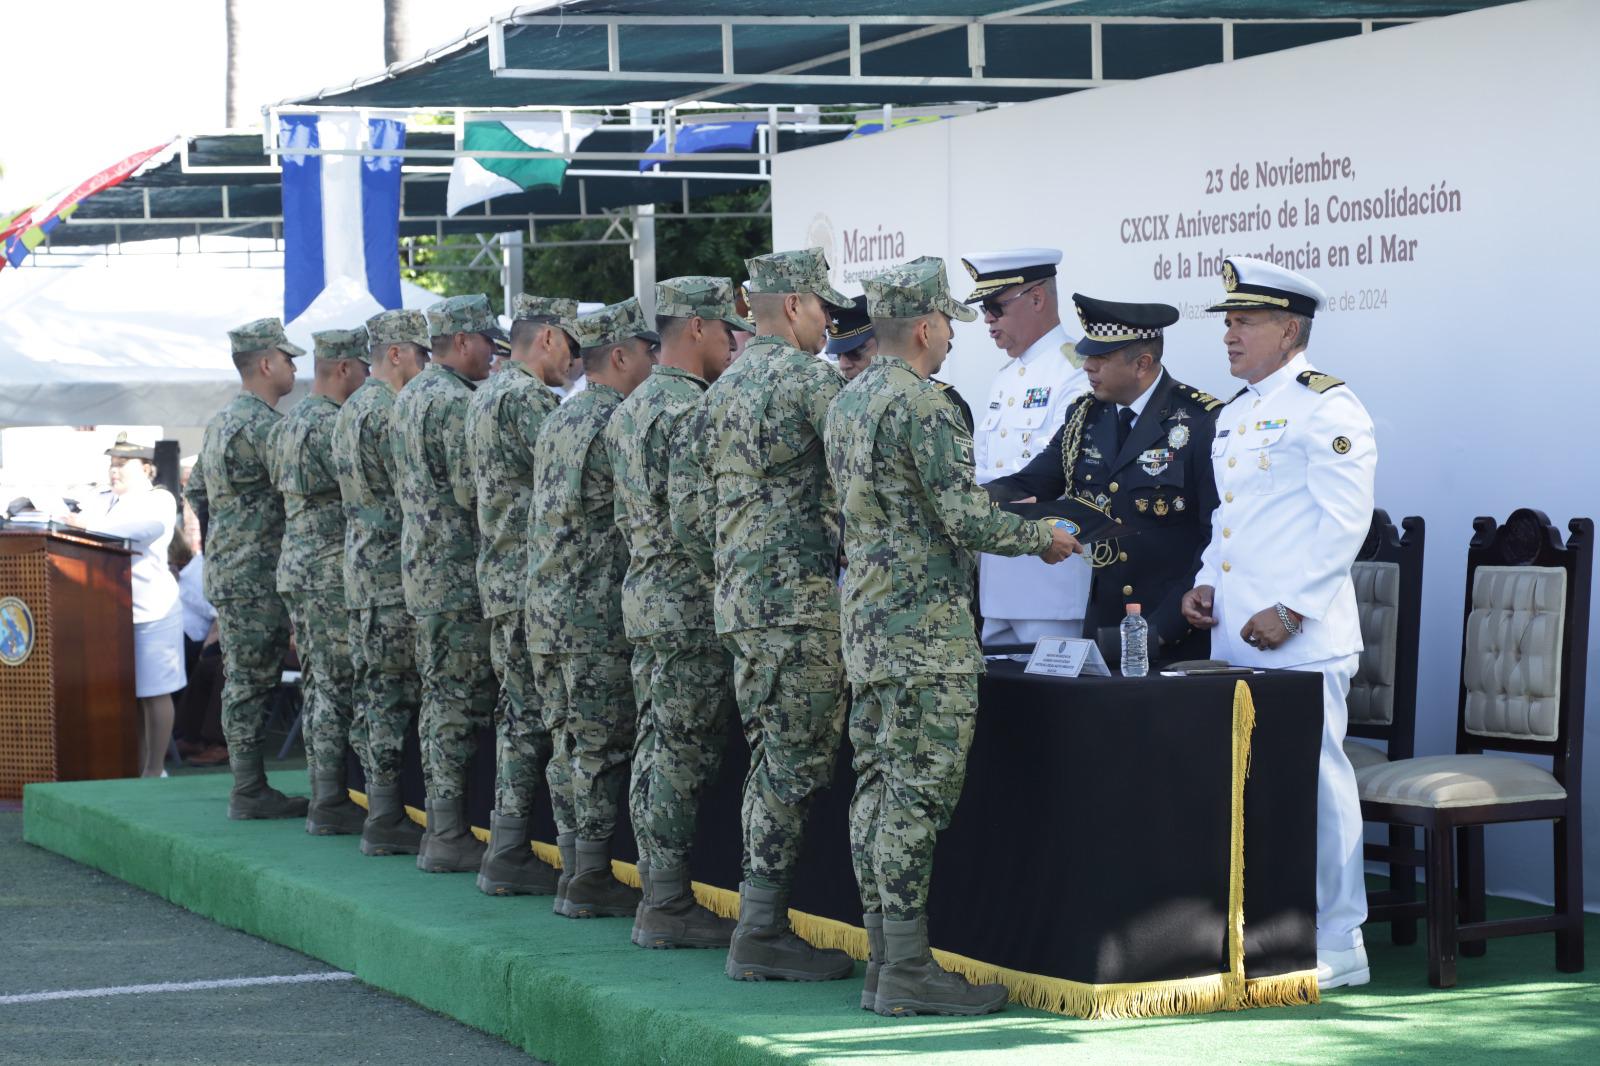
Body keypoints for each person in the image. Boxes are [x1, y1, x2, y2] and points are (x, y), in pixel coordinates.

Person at [825, 257, 1080, 1017]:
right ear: (929, 327)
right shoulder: (924, 405)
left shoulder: (849, 400)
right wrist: (1044, 537)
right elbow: (963, 517)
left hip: (868, 628)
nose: (952, 344)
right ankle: (905, 967)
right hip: (924, 635)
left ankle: (885, 960)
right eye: (949, 329)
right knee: (913, 798)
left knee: (876, 793)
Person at [1180, 255, 1377, 990]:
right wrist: (1204, 585)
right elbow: (1233, 522)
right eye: (1228, 320)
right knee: (1254, 790)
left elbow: (1344, 523)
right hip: (1238, 634)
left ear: (1289, 328)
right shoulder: (1235, 412)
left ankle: (1343, 939)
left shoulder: (1327, 405)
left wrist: (1292, 607)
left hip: (1304, 636)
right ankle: (1272, 931)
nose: (1229, 333)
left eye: (1245, 320)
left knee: (1321, 785)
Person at [701, 247, 856, 983]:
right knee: (791, 769)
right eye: (823, 306)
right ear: (793, 305)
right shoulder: (807, 382)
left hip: (742, 604)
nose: (829, 323)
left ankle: (761, 923)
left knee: (772, 761)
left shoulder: (722, 388)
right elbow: (866, 477)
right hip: (796, 607)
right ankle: (760, 930)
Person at [606, 276, 746, 948]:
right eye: (723, 329)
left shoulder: (632, 406)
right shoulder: (692, 410)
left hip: (647, 596)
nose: (730, 342)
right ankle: (666, 903)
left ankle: (660, 894)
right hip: (688, 603)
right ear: (694, 327)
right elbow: (700, 521)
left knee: (659, 745)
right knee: (680, 753)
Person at [984, 294, 1222, 661]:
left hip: (1175, 633)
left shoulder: (1199, 421)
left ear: (1142, 363)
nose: (1088, 367)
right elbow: (1032, 484)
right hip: (1106, 630)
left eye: (1101, 358)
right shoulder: (1086, 417)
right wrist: (963, 500)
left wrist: (1162, 630)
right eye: (1088, 355)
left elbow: (1215, 536)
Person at [525, 298, 658, 918]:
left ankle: (575, 866)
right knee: (601, 746)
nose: (656, 364)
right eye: (649, 352)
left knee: (568, 745)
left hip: (548, 608)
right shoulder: (619, 422)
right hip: (594, 609)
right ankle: (592, 875)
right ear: (623, 356)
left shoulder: (562, 416)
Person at [465, 293, 578, 897]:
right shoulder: (529, 400)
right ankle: (563, 860)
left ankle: (507, 847)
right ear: (549, 338)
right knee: (552, 720)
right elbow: (566, 486)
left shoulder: (485, 396)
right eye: (572, 346)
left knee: (519, 717)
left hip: (501, 576)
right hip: (535, 581)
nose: (575, 362)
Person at [391, 294, 503, 872]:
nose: (492, 353)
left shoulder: (409, 397)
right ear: (462, 341)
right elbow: (471, 490)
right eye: (486, 340)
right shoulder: (456, 404)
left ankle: (443, 825)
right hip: (457, 573)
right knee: (456, 702)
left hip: (424, 569)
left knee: (441, 698)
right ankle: (449, 831)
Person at [183, 317, 305, 820]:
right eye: (289, 358)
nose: (295, 367)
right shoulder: (266, 427)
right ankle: (250, 789)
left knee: (243, 677)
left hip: (233, 570)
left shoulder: (221, 422)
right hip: (260, 572)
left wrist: (227, 542)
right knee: (253, 679)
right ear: (266, 363)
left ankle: (248, 783)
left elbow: (196, 495)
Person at [331, 308, 431, 856]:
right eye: (421, 353)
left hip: (363, 569)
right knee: (392, 693)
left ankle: (379, 806)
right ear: (397, 353)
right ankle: (388, 815)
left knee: (375, 691)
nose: (424, 366)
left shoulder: (350, 409)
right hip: (393, 569)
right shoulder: (389, 410)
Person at [961, 248, 1091, 646]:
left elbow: (1054, 476)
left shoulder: (1075, 370)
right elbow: (981, 466)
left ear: (1036, 298)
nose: (988, 319)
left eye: (996, 306)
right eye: (984, 308)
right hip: (999, 581)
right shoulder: (1005, 377)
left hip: (1049, 581)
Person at [270, 327, 371, 836]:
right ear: (345, 368)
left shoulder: (289, 424)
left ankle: (324, 791)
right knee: (336, 685)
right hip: (329, 567)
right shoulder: (333, 424)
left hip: (299, 564)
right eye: (363, 369)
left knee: (318, 684)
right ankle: (331, 800)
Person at [70, 435, 185, 778]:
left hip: (152, 610)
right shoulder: (101, 500)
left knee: (154, 692)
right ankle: (134, 764)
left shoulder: (159, 498)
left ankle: (154, 769)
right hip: (108, 611)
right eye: (112, 463)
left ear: (147, 469)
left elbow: (145, 530)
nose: (114, 471)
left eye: (122, 464)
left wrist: (87, 526)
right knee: (128, 694)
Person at [828, 294, 974, 430]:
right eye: (837, 355)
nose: (843, 364)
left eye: (855, 352)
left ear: (885, 341)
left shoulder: (938, 403)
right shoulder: (836, 403)